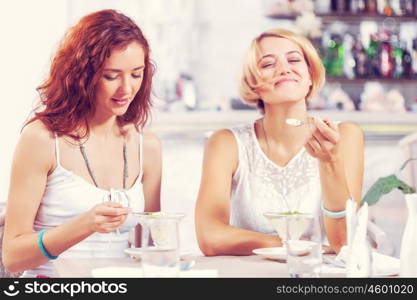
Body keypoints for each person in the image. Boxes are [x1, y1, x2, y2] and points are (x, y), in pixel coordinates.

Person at [2, 9, 161, 277]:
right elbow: (13, 257)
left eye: (137, 74)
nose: (126, 89)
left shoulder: (148, 147)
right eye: (111, 76)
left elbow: (152, 244)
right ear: (81, 74)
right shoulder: (42, 140)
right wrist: (84, 225)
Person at [195, 29, 364, 256]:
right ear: (253, 84)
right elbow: (210, 237)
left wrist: (329, 161)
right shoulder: (225, 143)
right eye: (267, 64)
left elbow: (344, 243)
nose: (284, 69)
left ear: (310, 76)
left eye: (294, 60)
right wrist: (294, 247)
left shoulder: (345, 136)